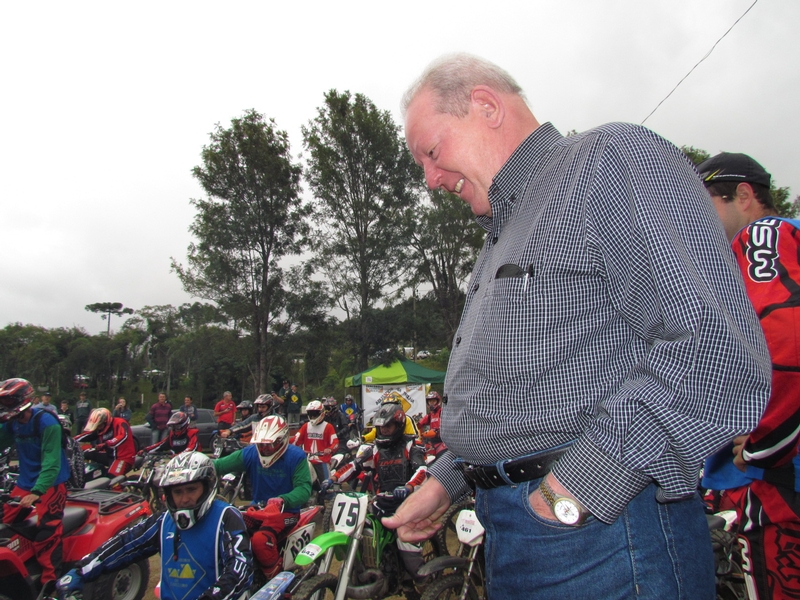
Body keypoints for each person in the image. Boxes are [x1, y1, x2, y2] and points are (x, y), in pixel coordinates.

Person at [384, 54, 772, 599]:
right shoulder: (502, 234)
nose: (430, 180)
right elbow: (530, 397)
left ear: (486, 107)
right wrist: (450, 480)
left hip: (605, 539)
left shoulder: (608, 160)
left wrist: (575, 489)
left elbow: (714, 349)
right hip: (518, 532)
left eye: (431, 152)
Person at [698, 152, 800, 600]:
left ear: (743, 195)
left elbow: (786, 328)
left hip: (776, 485)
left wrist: (764, 442)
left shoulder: (764, 234)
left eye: (704, 205)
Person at [57, 451, 253, 600]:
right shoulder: (163, 521)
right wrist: (80, 571)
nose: (184, 499)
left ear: (207, 487)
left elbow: (240, 567)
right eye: (177, 492)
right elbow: (126, 543)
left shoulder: (225, 517)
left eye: (191, 489)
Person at [323, 401, 428, 582]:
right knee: (363, 530)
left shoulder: (411, 445)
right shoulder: (376, 448)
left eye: (388, 426)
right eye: (381, 427)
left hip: (408, 504)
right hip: (381, 503)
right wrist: (333, 478)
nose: (384, 430)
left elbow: (422, 470)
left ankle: (424, 580)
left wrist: (408, 487)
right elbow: (354, 465)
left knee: (406, 545)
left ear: (399, 425)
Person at [214, 415, 311, 577]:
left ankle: (276, 579)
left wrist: (283, 500)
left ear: (282, 440)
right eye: (260, 444)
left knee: (260, 541)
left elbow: (304, 489)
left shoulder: (296, 457)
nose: (264, 449)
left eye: (269, 445)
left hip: (286, 512)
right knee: (225, 531)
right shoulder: (251, 453)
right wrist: (195, 466)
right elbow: (219, 465)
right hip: (257, 509)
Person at [0, 378, 71, 592]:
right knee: (6, 524)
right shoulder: (12, 423)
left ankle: (50, 584)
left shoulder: (47, 423)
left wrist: (37, 491)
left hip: (51, 484)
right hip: (25, 482)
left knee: (47, 533)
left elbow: (51, 462)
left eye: (8, 401)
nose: (4, 405)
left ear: (22, 400)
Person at [75, 407, 136, 476]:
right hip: (109, 455)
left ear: (106, 421)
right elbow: (88, 435)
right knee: (85, 452)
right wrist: (71, 440)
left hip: (123, 458)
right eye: (97, 426)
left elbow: (123, 435)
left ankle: (112, 477)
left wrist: (106, 444)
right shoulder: (100, 429)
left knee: (112, 479)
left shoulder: (120, 422)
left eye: (99, 425)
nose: (98, 427)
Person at [293, 399, 338, 482]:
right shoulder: (306, 426)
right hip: (307, 460)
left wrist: (330, 449)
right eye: (311, 414)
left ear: (321, 413)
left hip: (322, 460)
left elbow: (335, 442)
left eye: (315, 414)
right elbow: (295, 440)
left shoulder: (328, 427)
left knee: (325, 484)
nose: (313, 416)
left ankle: (328, 489)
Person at [417, 391, 446, 459]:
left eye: (433, 401)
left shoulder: (442, 412)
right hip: (432, 444)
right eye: (430, 401)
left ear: (438, 401)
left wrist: (437, 431)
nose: (432, 403)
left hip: (443, 442)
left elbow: (449, 426)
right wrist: (421, 437)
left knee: (441, 458)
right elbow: (418, 425)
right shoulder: (430, 415)